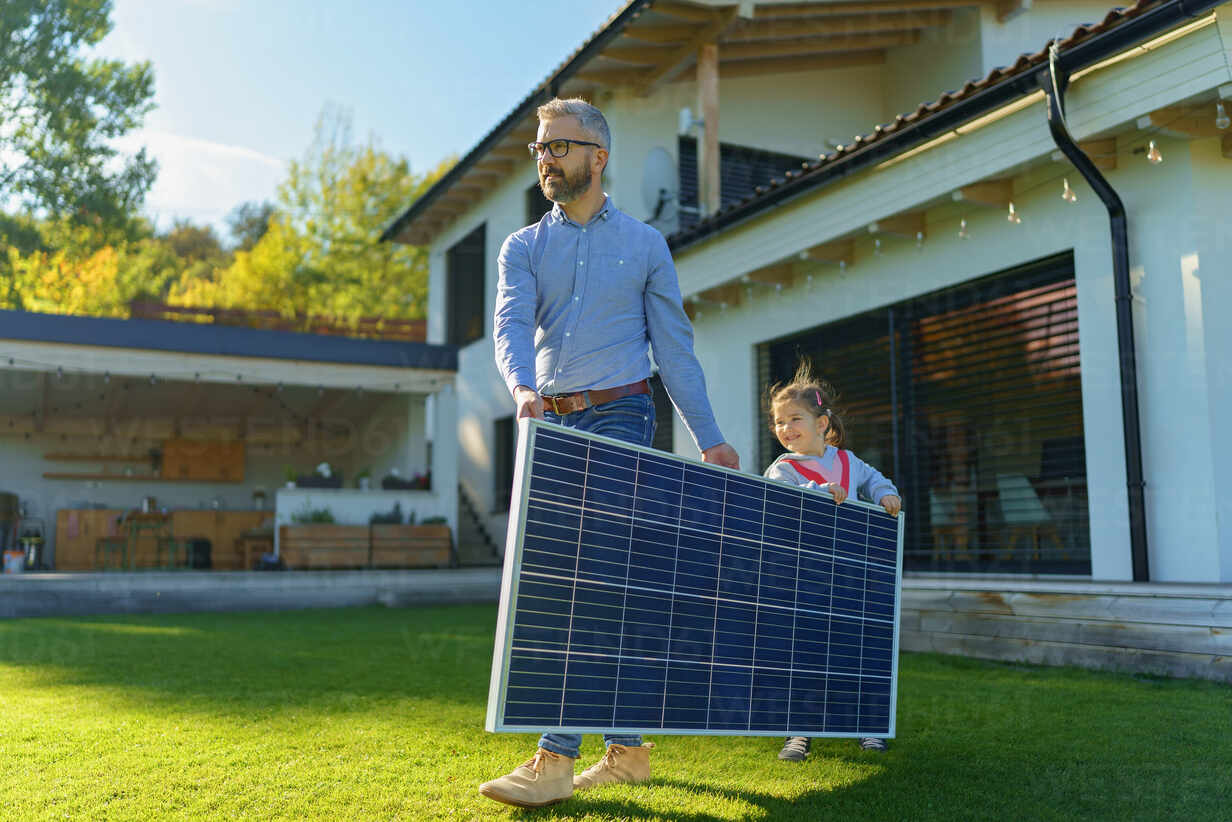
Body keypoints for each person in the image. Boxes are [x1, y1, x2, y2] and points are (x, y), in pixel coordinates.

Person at [481, 97, 740, 809]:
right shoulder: (524, 247)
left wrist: (709, 436)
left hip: (625, 413)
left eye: (558, 146)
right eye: (538, 148)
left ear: (598, 156)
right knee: (598, 583)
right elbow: (508, 325)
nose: (544, 158)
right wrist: (524, 390)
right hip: (552, 423)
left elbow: (674, 349)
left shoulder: (647, 246)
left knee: (593, 580)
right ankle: (626, 752)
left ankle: (554, 758)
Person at [763, 359, 901, 761]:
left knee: (858, 649)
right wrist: (817, 488)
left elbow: (876, 479)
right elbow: (783, 502)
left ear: (821, 423)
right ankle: (798, 731)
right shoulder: (782, 470)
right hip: (805, 578)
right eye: (779, 422)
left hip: (852, 576)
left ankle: (869, 726)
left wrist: (884, 494)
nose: (785, 428)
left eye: (795, 419)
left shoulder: (847, 461)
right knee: (804, 653)